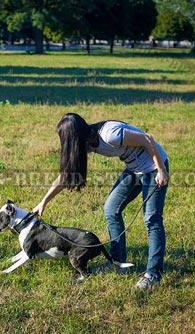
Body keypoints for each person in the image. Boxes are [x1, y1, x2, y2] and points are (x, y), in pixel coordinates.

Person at [33, 113, 169, 291]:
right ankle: (118, 262)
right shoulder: (87, 142)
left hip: (153, 167)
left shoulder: (110, 134)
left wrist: (161, 169)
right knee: (111, 209)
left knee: (152, 220)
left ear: (75, 135)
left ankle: (153, 274)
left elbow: (147, 139)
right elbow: (66, 175)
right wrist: (44, 202)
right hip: (134, 170)